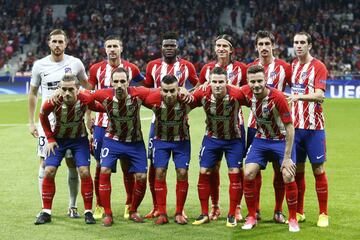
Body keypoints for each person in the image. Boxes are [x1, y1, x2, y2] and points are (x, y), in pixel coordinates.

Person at [28, 29, 91, 218]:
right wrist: (31, 122)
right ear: (49, 43)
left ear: (66, 43)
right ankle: (45, 208)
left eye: (60, 42)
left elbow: (87, 87)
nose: (57, 45)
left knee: (73, 163)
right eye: (54, 41)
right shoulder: (39, 65)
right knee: (45, 164)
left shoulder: (75, 63)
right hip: (48, 122)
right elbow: (32, 93)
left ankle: (73, 207)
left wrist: (89, 114)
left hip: (71, 122)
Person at [34, 74, 104, 225]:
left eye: (70, 89)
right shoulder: (53, 101)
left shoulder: (85, 99)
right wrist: (50, 139)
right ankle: (46, 212)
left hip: (79, 140)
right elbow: (42, 116)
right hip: (58, 140)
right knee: (48, 170)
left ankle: (88, 212)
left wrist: (113, 108)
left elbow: (100, 107)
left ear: (77, 89)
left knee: (84, 171)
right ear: (59, 89)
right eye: (63, 89)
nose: (67, 93)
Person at [143, 31, 199, 219]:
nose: (169, 48)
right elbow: (146, 89)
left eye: (172, 45)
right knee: (155, 167)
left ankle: (179, 210)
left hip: (180, 121)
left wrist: (186, 93)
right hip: (156, 122)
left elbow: (198, 88)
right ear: (161, 47)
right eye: (166, 45)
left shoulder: (187, 66)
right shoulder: (152, 66)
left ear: (177, 47)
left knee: (180, 170)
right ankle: (157, 207)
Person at [88, 35, 145, 220]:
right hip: (101, 125)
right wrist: (88, 118)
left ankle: (129, 204)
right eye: (109, 46)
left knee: (127, 165)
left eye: (115, 46)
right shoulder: (96, 69)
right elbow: (89, 95)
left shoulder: (132, 69)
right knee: (100, 165)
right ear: (105, 49)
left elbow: (145, 88)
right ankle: (99, 204)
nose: (112, 49)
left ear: (121, 48)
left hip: (126, 126)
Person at [241, 65, 299, 232]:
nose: (256, 84)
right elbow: (229, 91)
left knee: (288, 175)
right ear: (248, 82)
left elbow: (289, 127)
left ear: (265, 81)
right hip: (261, 139)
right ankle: (252, 216)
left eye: (260, 81)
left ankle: (293, 218)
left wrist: (287, 157)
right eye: (253, 81)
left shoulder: (278, 98)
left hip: (281, 140)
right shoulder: (245, 92)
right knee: (249, 172)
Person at [199, 34, 247, 221]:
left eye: (225, 46)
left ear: (231, 49)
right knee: (213, 167)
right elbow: (200, 90)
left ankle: (237, 208)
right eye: (218, 45)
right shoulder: (207, 69)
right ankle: (215, 206)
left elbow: (247, 92)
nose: (221, 49)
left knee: (236, 169)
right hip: (213, 126)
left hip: (236, 124)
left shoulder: (241, 69)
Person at [191, 67, 246, 228]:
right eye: (214, 82)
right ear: (209, 82)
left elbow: (255, 98)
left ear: (227, 82)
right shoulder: (202, 93)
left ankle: (232, 214)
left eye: (221, 82)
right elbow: (186, 101)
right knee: (204, 172)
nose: (217, 85)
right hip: (212, 138)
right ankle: (205, 212)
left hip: (233, 140)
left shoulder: (237, 95)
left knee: (235, 172)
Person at [246, 30, 292, 223]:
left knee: (279, 170)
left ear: (273, 45)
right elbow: (242, 92)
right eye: (260, 44)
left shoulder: (284, 67)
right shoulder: (249, 67)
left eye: (267, 43)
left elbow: (295, 89)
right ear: (256, 46)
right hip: (254, 125)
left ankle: (278, 210)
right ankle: (254, 211)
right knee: (253, 170)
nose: (264, 47)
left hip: (279, 127)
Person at [141, 75, 194, 225]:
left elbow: (204, 92)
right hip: (161, 141)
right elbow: (135, 92)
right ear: (160, 90)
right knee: (159, 172)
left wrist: (188, 91)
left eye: (172, 91)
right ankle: (162, 213)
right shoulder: (153, 99)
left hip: (181, 141)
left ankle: (179, 212)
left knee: (182, 173)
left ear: (178, 89)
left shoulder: (187, 99)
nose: (169, 95)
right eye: (165, 91)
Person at [288, 32, 329, 227]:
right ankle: (299, 211)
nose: (299, 46)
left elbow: (320, 95)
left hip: (314, 129)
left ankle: (323, 213)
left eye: (302, 42)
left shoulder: (319, 66)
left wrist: (299, 97)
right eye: (296, 42)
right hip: (295, 129)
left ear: (309, 45)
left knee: (318, 169)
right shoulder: (293, 66)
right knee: (298, 172)